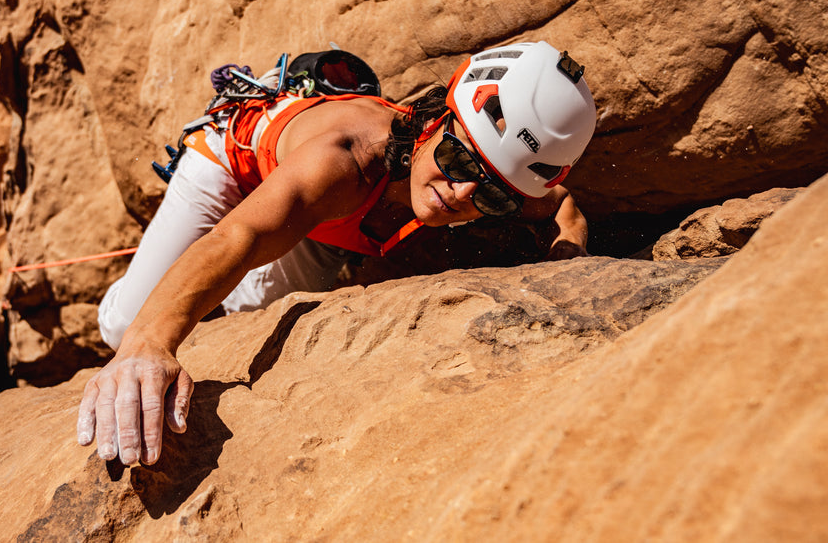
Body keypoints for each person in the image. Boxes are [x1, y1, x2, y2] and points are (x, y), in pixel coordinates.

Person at [77, 41, 597, 466]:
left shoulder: (488, 176)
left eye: (492, 194)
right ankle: (141, 301)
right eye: (457, 158)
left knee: (250, 307)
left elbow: (562, 206)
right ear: (437, 117)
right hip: (232, 167)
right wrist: (149, 343)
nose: (461, 194)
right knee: (123, 327)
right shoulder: (343, 163)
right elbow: (240, 239)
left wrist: (565, 259)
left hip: (326, 230)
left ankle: (208, 291)